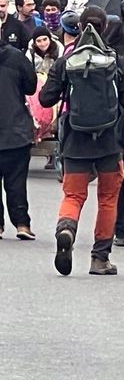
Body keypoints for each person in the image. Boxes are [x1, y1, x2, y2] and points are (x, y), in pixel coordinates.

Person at [38, 6, 124, 276]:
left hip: (75, 140)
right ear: (105, 28)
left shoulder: (66, 62)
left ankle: (66, 229)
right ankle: (100, 258)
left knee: (74, 195)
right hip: (109, 142)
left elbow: (46, 99)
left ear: (79, 27)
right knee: (108, 198)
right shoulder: (115, 60)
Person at [0, 34, 38, 240]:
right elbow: (31, 86)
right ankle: (22, 223)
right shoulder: (16, 57)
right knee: (17, 180)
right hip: (15, 127)